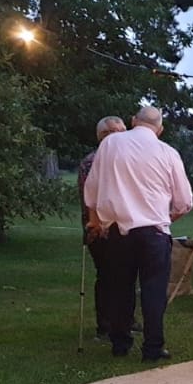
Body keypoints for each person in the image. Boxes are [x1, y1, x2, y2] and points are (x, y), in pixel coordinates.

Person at [83, 105, 192, 361]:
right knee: (154, 290)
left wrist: (95, 222)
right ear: (160, 129)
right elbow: (184, 202)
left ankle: (120, 343)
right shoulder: (168, 152)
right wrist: (166, 218)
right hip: (154, 232)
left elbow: (92, 190)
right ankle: (153, 347)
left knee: (120, 287)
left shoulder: (110, 145)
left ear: (133, 121)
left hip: (117, 231)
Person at [78, 115, 127, 339]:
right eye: (114, 132)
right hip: (99, 228)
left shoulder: (126, 159)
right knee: (107, 275)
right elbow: (90, 198)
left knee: (125, 275)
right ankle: (105, 324)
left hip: (124, 226)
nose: (121, 137)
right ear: (102, 136)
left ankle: (125, 319)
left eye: (123, 131)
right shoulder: (92, 161)